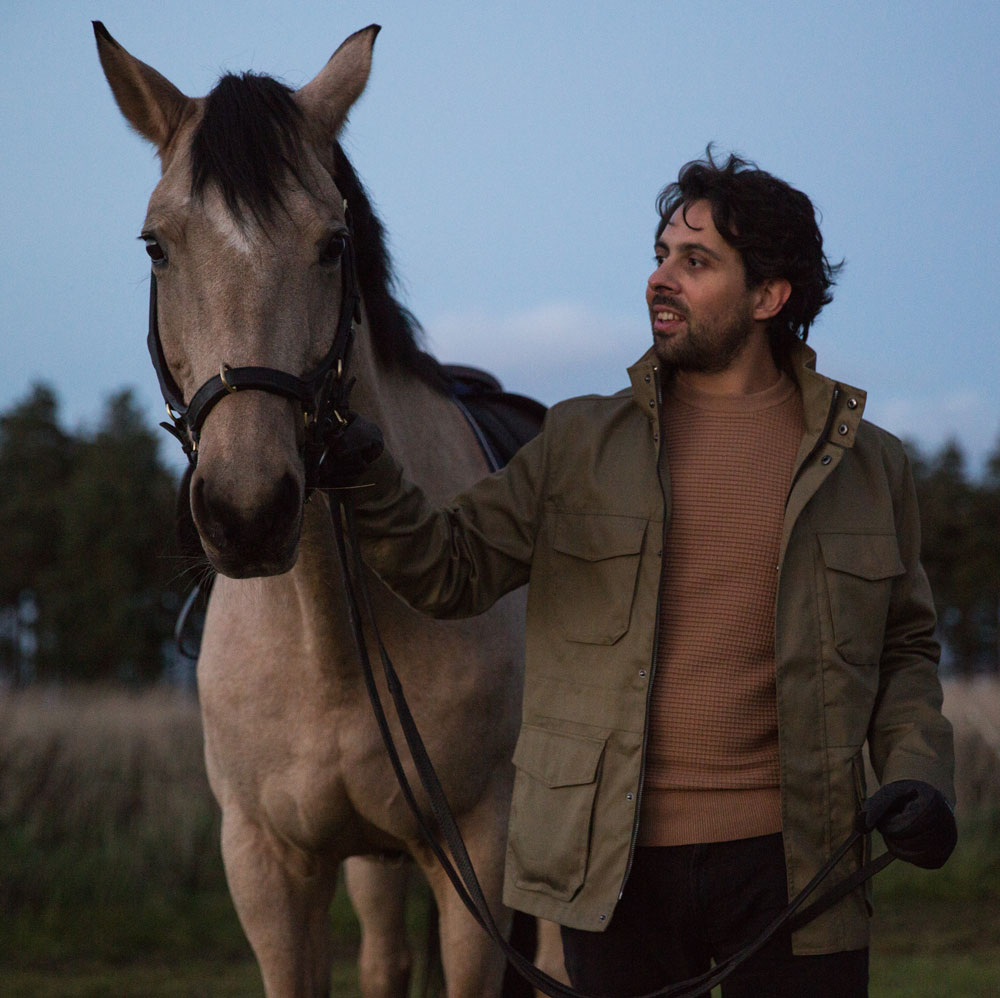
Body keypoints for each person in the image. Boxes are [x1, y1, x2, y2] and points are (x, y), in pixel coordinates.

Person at [334, 150, 957, 997]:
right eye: (661, 254)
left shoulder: (870, 466)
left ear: (771, 297)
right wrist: (367, 475)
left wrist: (919, 770)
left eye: (695, 262)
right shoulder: (580, 443)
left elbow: (905, 650)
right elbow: (450, 569)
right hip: (613, 875)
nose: (660, 279)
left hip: (800, 869)